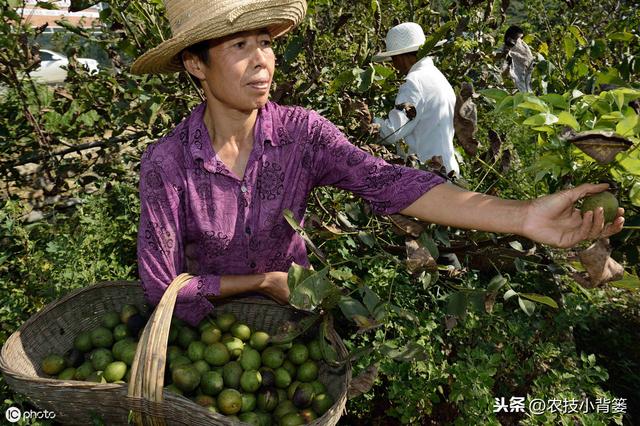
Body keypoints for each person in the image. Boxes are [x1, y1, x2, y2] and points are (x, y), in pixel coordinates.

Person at [132, 0, 625, 327]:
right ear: (196, 64)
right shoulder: (168, 164)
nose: (262, 59)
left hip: (295, 330)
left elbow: (390, 182)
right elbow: (163, 286)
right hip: (208, 345)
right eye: (240, 45)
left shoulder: (299, 134)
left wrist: (523, 214)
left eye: (265, 42)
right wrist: (262, 283)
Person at [371, 22, 460, 175]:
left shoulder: (413, 82)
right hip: (447, 169)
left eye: (393, 59)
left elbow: (392, 132)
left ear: (400, 57)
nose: (394, 65)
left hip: (427, 174)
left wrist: (370, 122)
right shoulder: (438, 77)